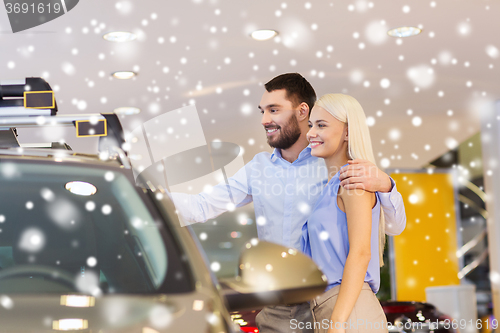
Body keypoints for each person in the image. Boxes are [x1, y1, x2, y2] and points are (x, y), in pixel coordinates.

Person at [169, 73, 406, 333]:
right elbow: (201, 206)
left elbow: (390, 228)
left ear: (302, 111)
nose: (264, 120)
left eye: (274, 110)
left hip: (328, 301)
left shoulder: (336, 166)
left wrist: (387, 186)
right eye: (263, 111)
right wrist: (140, 196)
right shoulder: (257, 169)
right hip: (277, 309)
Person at [302, 93, 389, 333]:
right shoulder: (330, 187)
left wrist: (338, 321)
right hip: (331, 308)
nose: (310, 133)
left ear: (348, 132)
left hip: (349, 311)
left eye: (321, 125)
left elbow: (361, 253)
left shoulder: (353, 181)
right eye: (311, 125)